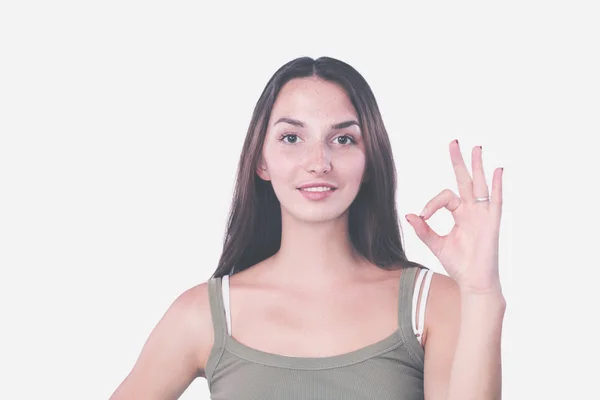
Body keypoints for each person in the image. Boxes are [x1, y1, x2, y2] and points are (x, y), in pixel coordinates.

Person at [109, 56, 506, 399]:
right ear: (261, 161)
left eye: (344, 139)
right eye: (292, 137)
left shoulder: (433, 304)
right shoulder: (204, 314)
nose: (319, 161)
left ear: (370, 161)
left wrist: (483, 294)